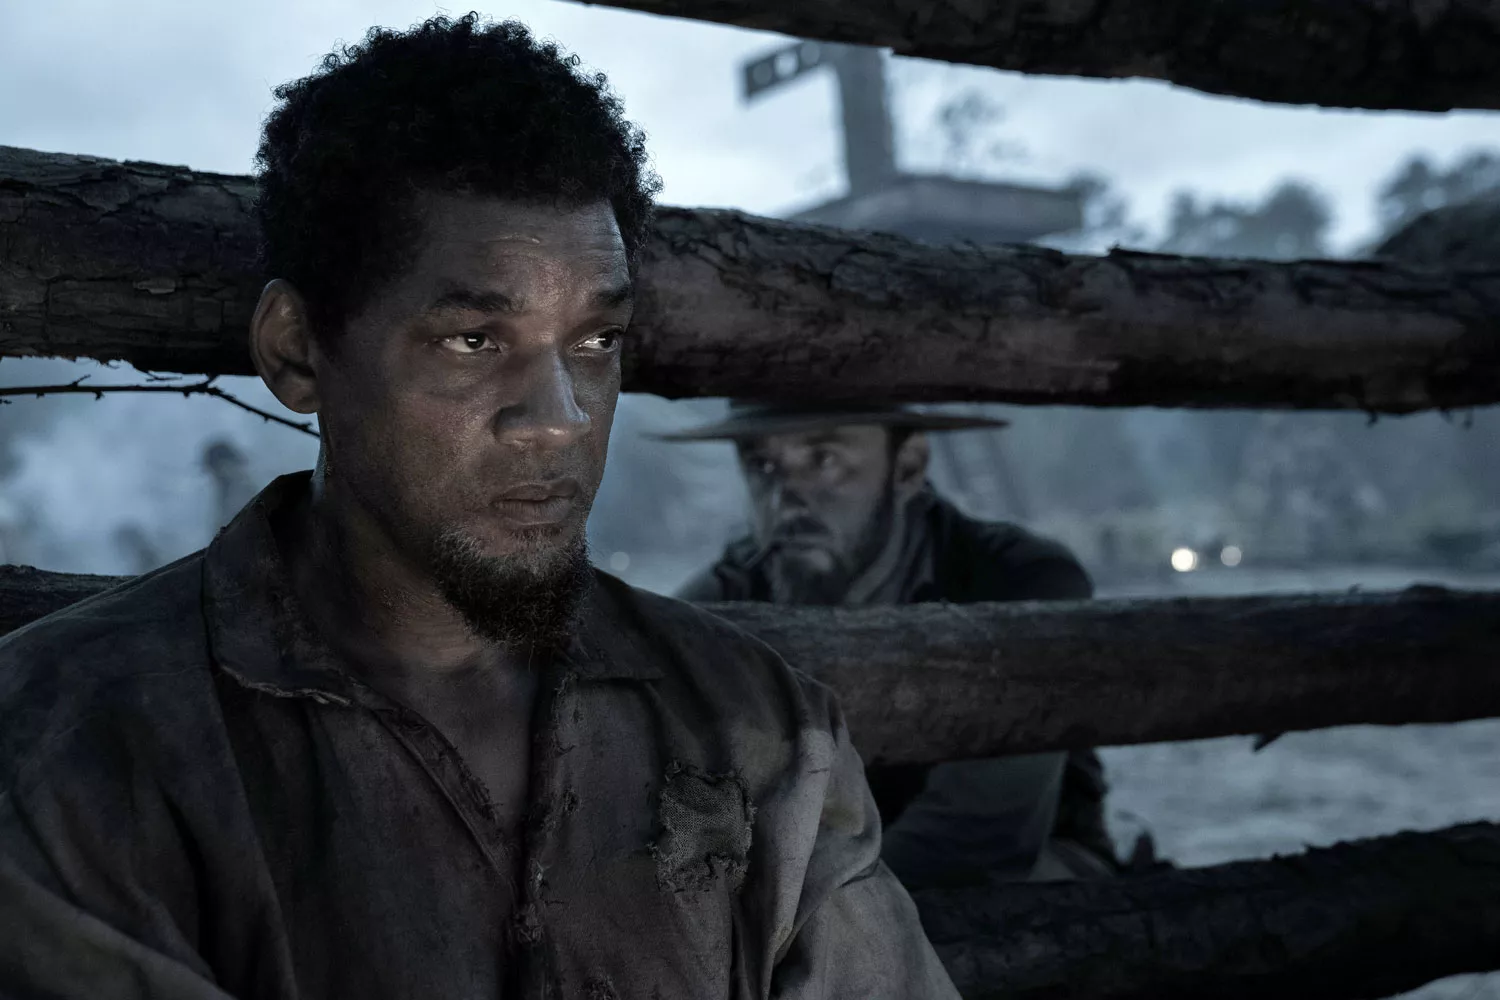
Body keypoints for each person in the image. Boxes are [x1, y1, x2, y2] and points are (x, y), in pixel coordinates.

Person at [0, 18, 958, 999]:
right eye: (473, 341)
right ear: (297, 349)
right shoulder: (64, 742)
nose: (560, 418)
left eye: (595, 341)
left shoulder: (767, 727)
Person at [671, 401, 1121, 888]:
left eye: (824, 459)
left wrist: (796, 913)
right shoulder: (719, 604)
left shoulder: (1018, 579)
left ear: (907, 466)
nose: (786, 500)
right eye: (762, 465)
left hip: (1019, 877)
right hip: (802, 886)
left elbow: (977, 835)